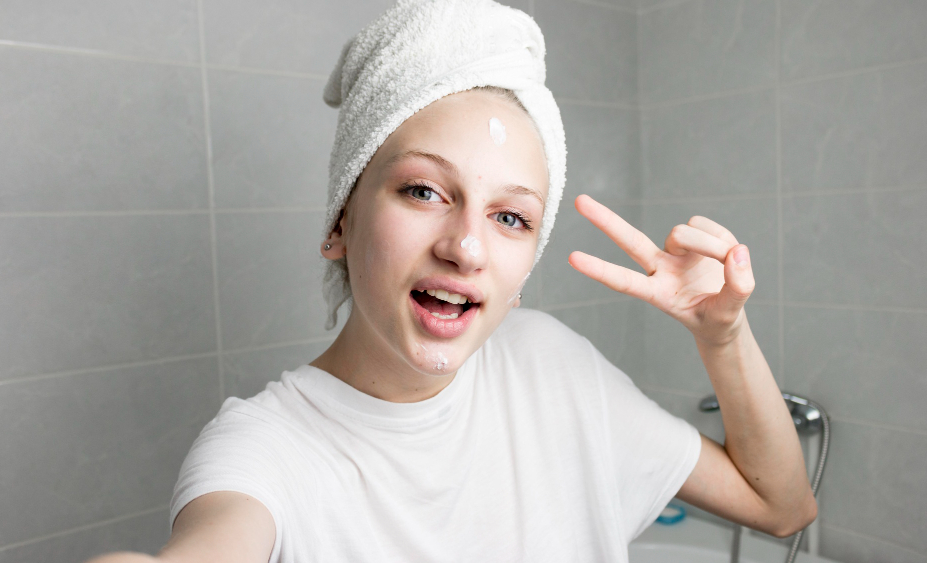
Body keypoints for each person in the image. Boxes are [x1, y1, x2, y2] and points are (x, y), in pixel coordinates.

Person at [88, 1, 815, 562]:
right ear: (341, 221)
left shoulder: (548, 364)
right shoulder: (263, 448)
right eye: (423, 192)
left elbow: (783, 507)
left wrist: (723, 334)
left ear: (526, 266)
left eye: (510, 217)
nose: (466, 246)